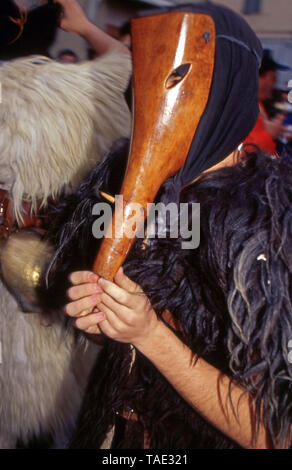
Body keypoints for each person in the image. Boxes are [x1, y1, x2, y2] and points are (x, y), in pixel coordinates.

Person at [52, 3, 289, 449]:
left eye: (177, 76)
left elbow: (276, 433)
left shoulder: (268, 228)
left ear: (224, 85)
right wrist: (106, 313)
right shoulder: (130, 192)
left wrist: (150, 334)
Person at [244, 50, 291, 154]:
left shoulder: (257, 105)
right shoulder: (242, 108)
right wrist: (269, 134)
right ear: (259, 77)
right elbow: (242, 151)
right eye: (273, 78)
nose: (275, 83)